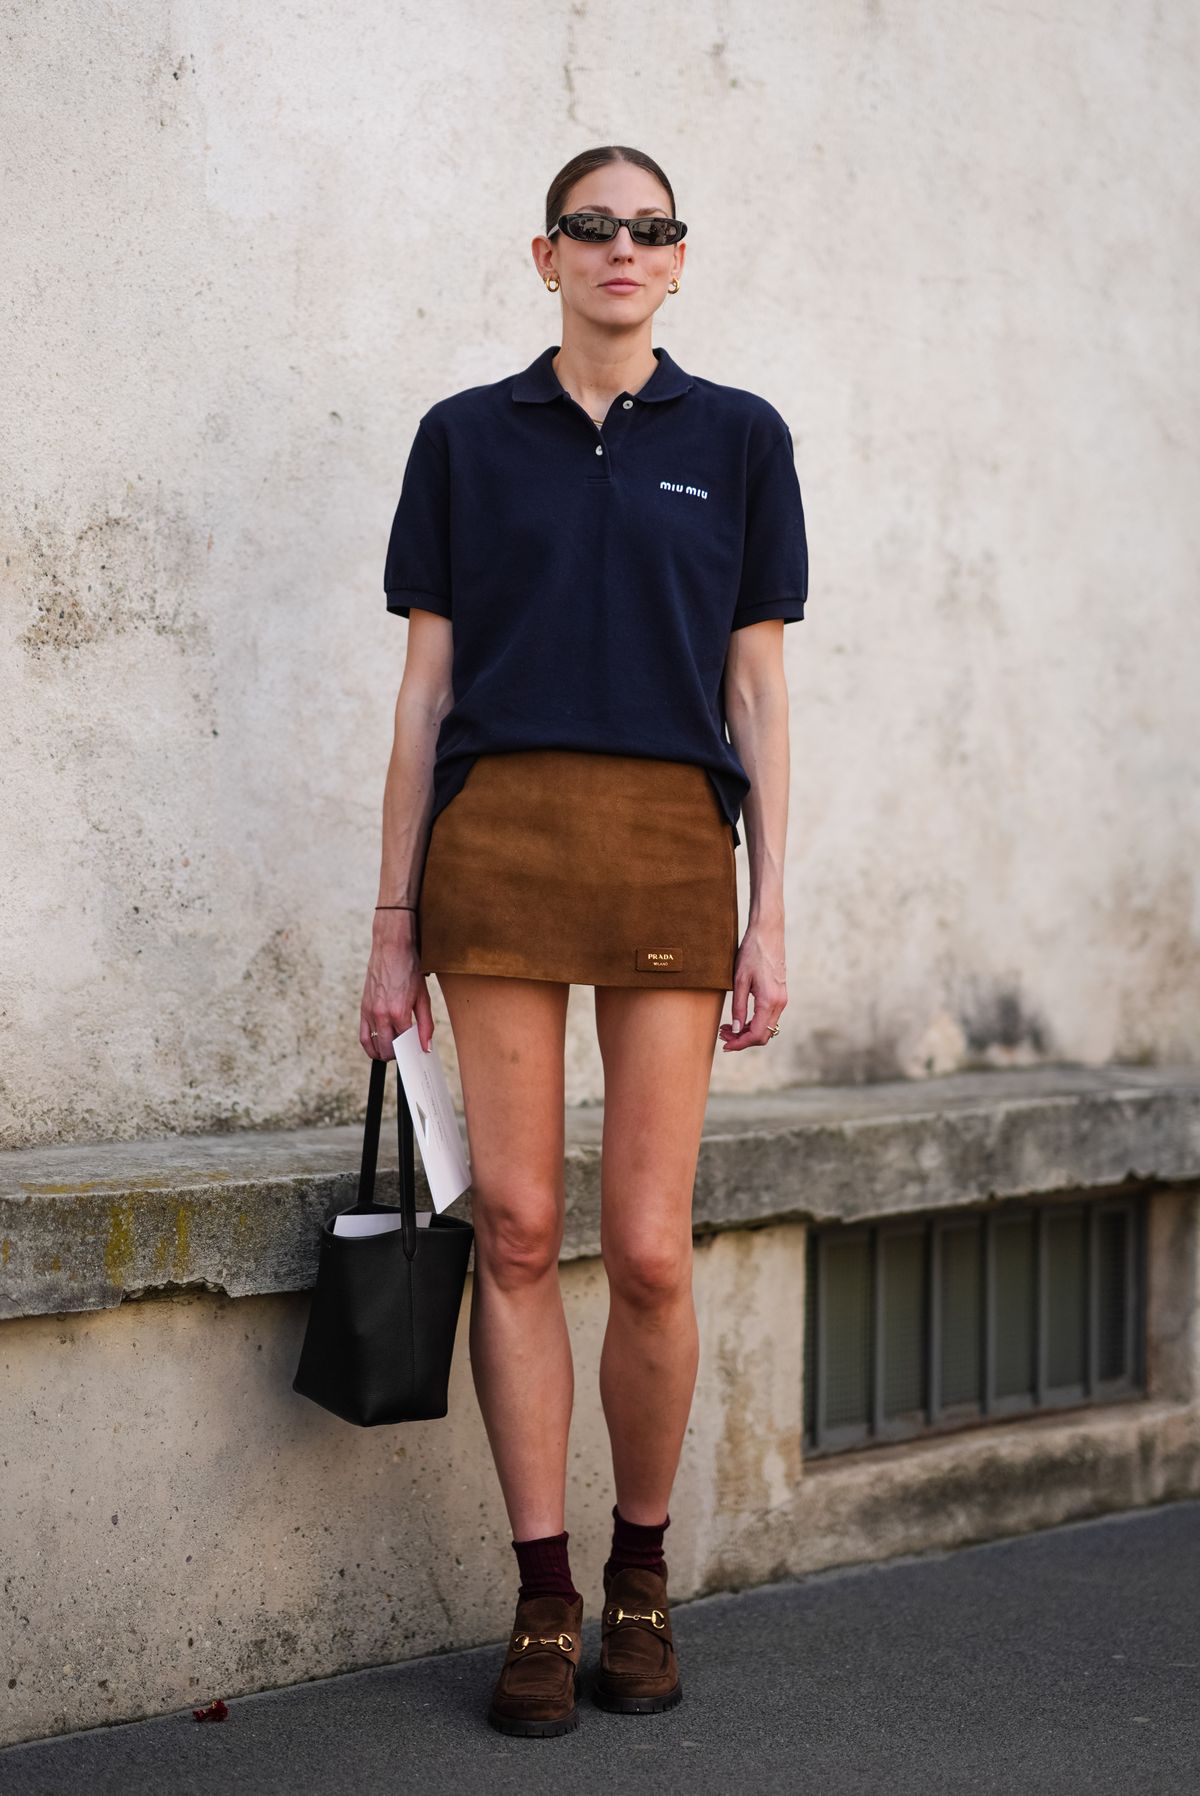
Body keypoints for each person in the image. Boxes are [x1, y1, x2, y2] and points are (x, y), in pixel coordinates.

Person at [360, 144, 807, 1737]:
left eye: (652, 228)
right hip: (500, 847)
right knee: (523, 1231)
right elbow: (426, 692)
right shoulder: (466, 441)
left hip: (671, 853)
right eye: (592, 227)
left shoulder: (741, 440)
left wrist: (770, 909)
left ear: (680, 261)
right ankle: (545, 1597)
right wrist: (392, 915)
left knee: (653, 1246)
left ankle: (641, 1578)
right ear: (541, 255)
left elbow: (757, 692)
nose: (624, 248)